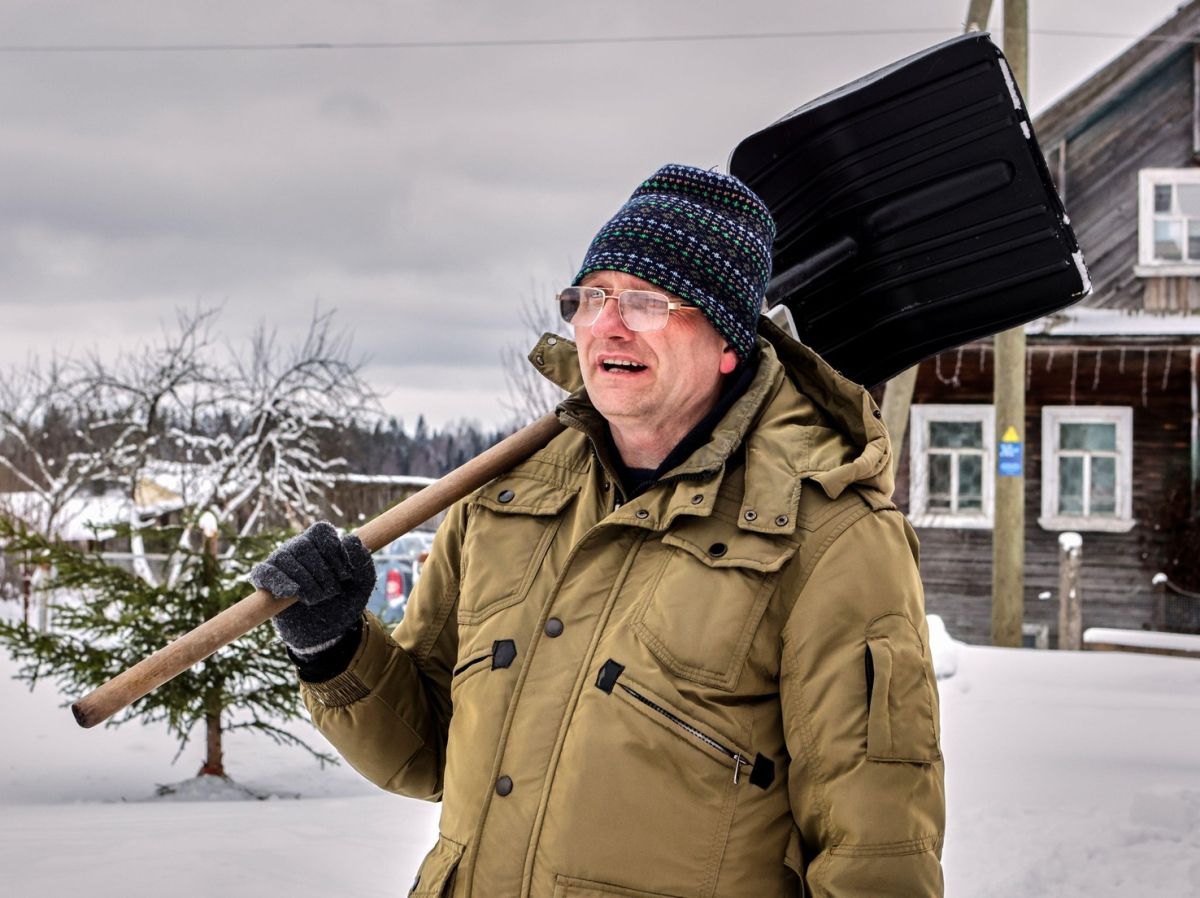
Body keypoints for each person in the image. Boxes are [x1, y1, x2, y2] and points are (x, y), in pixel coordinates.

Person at [251, 164, 945, 898]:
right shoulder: (506, 498)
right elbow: (427, 752)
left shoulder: (830, 536)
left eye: (645, 301)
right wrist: (336, 647)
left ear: (727, 343)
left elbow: (876, 852)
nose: (608, 324)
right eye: (590, 298)